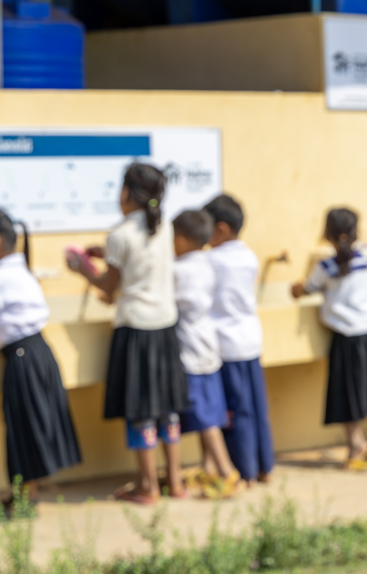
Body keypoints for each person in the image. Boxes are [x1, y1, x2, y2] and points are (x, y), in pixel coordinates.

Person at [66, 162, 188, 504]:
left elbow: (109, 284)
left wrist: (82, 268)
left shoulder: (119, 235)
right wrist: (106, 253)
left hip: (136, 330)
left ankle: (148, 485)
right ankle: (175, 480)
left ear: (126, 193)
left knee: (140, 410)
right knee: (167, 408)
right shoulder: (163, 227)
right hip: (165, 326)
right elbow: (139, 258)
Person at [0, 209, 81, 507]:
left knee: (23, 426)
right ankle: (26, 492)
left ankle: (24, 497)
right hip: (39, 353)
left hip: (22, 358)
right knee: (30, 424)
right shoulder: (19, 269)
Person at [292, 208, 367, 470]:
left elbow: (304, 290)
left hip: (347, 335)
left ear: (326, 233)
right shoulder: (364, 259)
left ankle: (356, 442)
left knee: (346, 391)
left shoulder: (325, 267)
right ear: (355, 232)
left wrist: (296, 286)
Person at [203, 194, 275, 487]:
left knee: (234, 414)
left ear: (221, 229)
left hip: (226, 345)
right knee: (256, 409)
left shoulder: (211, 261)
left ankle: (243, 472)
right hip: (250, 342)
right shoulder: (248, 256)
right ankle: (264, 468)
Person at [171, 209, 240, 498]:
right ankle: (209, 468)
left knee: (205, 419)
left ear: (181, 241)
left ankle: (226, 471)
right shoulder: (207, 263)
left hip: (190, 351)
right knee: (211, 413)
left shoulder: (178, 270)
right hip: (208, 347)